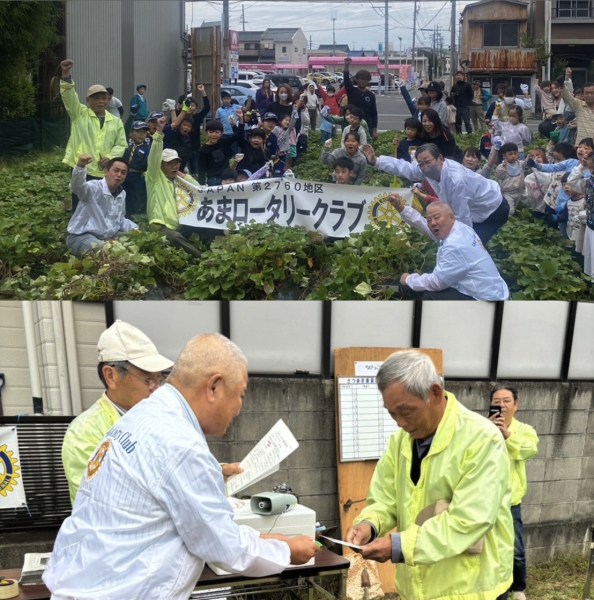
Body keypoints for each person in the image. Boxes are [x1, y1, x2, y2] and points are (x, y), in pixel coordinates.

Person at [44, 333, 320, 600]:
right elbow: (225, 547)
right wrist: (286, 551)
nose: (239, 408)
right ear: (214, 387)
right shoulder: (180, 443)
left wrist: (272, 541)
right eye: (241, 395)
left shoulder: (141, 416)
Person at [345, 350, 513, 600]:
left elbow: (468, 521)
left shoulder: (482, 439)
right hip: (417, 588)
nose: (399, 423)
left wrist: (398, 546)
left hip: (469, 589)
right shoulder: (400, 441)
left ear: (435, 393)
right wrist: (369, 524)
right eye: (391, 413)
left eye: (406, 411)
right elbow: (385, 499)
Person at [62, 320, 173, 504]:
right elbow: (100, 500)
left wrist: (214, 470)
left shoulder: (158, 415)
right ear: (111, 376)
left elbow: (174, 461)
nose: (156, 388)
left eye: (159, 379)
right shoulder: (84, 435)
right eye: (148, 380)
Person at [362, 142, 509, 244]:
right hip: (474, 208)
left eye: (428, 161)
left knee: (472, 245)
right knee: (459, 242)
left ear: (440, 159)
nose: (424, 167)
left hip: (494, 209)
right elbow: (405, 168)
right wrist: (376, 161)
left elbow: (461, 218)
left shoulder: (456, 181)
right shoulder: (426, 169)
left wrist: (462, 244)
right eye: (421, 164)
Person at [388, 197, 509, 300]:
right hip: (495, 289)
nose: (432, 223)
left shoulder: (454, 245)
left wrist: (409, 280)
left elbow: (438, 282)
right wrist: (401, 208)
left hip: (485, 300)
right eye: (429, 220)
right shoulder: (461, 228)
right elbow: (424, 225)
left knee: (431, 296)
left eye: (437, 217)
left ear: (451, 217)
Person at [489, 386, 539, 600]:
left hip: (511, 502)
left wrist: (507, 435)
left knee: (516, 549)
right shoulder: (482, 427)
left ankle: (518, 587)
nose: (502, 405)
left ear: (516, 405)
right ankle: (492, 586)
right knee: (487, 549)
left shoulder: (525, 430)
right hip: (487, 501)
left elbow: (529, 450)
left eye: (507, 400)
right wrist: (488, 431)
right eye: (497, 401)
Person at [59, 59, 127, 213]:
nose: (100, 101)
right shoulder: (79, 114)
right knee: (80, 203)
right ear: (88, 100)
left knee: (102, 204)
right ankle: (78, 231)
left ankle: (102, 231)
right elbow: (69, 97)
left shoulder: (115, 122)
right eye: (96, 98)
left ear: (108, 99)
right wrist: (65, 74)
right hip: (82, 168)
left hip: (105, 170)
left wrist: (110, 157)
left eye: (104, 98)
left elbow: (121, 144)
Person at [146, 117, 202, 257]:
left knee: (203, 227)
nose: (174, 166)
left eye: (176, 163)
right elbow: (154, 156)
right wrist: (159, 133)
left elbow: (199, 190)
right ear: (161, 165)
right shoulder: (154, 178)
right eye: (170, 163)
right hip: (162, 227)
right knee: (174, 237)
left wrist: (182, 175)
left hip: (180, 224)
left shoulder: (177, 179)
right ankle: (201, 258)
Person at [66, 155, 137, 257]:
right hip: (80, 237)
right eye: (116, 171)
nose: (119, 175)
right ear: (106, 171)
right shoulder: (93, 187)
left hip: (106, 238)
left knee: (132, 242)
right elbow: (77, 187)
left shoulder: (122, 193)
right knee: (106, 251)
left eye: (123, 173)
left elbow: (120, 219)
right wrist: (80, 167)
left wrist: (135, 230)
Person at [198, 116, 245, 186]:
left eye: (217, 132)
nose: (214, 135)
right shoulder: (203, 150)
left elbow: (239, 135)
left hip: (227, 177)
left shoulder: (225, 142)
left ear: (222, 133)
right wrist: (202, 185)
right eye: (211, 132)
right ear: (206, 133)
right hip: (213, 179)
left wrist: (241, 119)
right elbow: (201, 169)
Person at [343, 57, 378, 140]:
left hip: (367, 126)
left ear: (368, 81)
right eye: (361, 79)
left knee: (366, 147)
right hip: (353, 125)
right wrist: (347, 65)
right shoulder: (351, 90)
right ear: (357, 80)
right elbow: (346, 79)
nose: (363, 81)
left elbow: (374, 113)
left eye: (365, 80)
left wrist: (374, 130)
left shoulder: (371, 95)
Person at [122, 121, 150, 215]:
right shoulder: (125, 145)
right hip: (123, 175)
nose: (141, 134)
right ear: (131, 133)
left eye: (144, 132)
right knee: (122, 195)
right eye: (138, 131)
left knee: (134, 197)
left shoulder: (146, 149)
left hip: (137, 176)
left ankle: (133, 216)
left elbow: (146, 166)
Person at [495, 143, 529, 216]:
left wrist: (529, 157)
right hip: (508, 192)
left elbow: (527, 163)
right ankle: (508, 221)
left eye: (515, 154)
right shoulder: (502, 166)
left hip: (520, 190)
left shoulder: (520, 164)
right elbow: (499, 176)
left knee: (527, 203)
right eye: (510, 154)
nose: (513, 156)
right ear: (504, 156)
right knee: (510, 210)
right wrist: (503, 168)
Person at [560, 75, 594, 143]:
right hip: (582, 146)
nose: (589, 95)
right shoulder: (579, 105)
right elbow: (568, 97)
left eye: (592, 93)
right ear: (583, 95)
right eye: (587, 93)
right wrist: (561, 86)